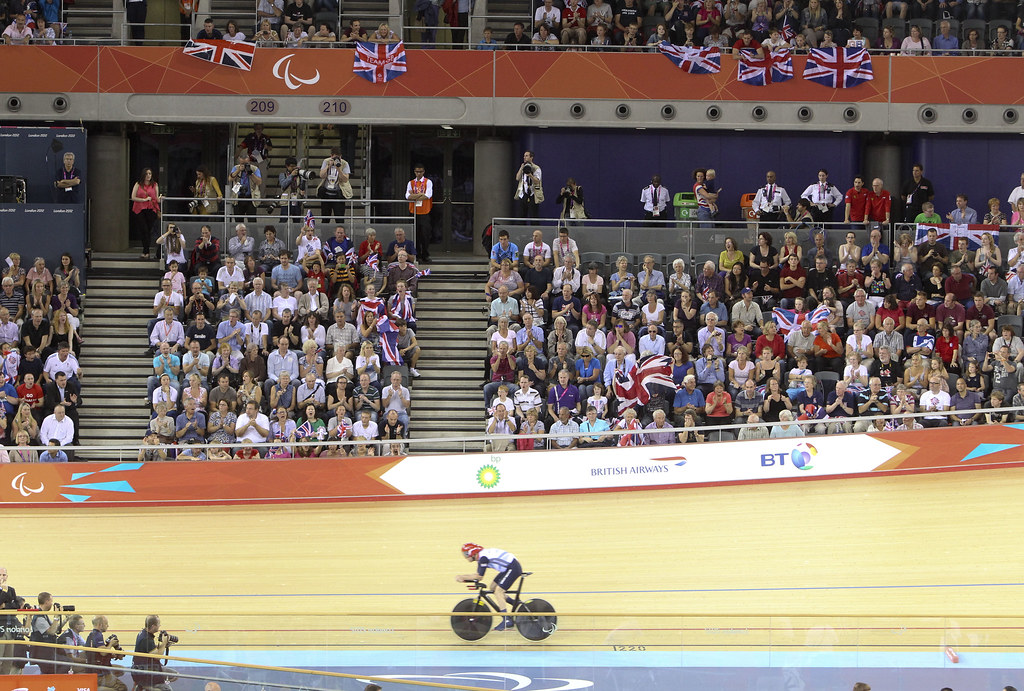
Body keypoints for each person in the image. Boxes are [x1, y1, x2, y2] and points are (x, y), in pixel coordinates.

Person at [456, 543, 524, 631]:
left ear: (472, 552)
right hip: (509, 567)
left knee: (499, 591)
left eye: (466, 554)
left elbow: (479, 576)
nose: (465, 557)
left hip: (512, 568)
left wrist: (462, 577)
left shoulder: (483, 558)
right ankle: (514, 603)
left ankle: (506, 620)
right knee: (492, 587)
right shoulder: (482, 556)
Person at [132, 615, 176, 691]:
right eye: (158, 624)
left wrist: (163, 645)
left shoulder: (143, 633)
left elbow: (151, 651)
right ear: (153, 626)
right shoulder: (146, 639)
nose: (160, 626)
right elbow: (157, 657)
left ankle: (147, 686)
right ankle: (147, 686)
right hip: (145, 671)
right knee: (168, 689)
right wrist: (164, 643)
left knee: (174, 675)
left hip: (144, 667)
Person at [85, 615, 128, 691]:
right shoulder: (98, 635)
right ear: (100, 625)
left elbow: (97, 653)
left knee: (120, 670)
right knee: (122, 687)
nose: (108, 626)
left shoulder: (91, 635)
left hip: (94, 669)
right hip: (99, 673)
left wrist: (110, 654)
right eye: (106, 624)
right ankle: (104, 685)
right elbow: (103, 653)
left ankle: (107, 684)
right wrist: (111, 644)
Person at [130, 168, 162, 260]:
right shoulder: (138, 184)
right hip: (139, 209)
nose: (148, 175)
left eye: (150, 173)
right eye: (147, 173)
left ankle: (146, 251)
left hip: (151, 209)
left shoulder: (155, 185)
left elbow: (156, 198)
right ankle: (146, 251)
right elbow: (133, 197)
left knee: (148, 230)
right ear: (143, 175)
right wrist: (143, 200)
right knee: (143, 229)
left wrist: (160, 198)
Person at [406, 164, 433, 263]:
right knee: (415, 234)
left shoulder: (428, 182)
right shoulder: (411, 183)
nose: (419, 173)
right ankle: (417, 255)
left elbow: (428, 195)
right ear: (414, 172)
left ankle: (425, 254)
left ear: (423, 172)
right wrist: (420, 194)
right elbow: (407, 196)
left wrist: (415, 195)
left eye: (420, 171)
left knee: (425, 235)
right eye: (417, 171)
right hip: (414, 211)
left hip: (425, 211)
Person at [514, 151, 542, 219]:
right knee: (521, 216)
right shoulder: (523, 167)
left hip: (533, 194)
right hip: (523, 194)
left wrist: (530, 175)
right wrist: (521, 168)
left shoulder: (536, 168)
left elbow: (537, 181)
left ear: (531, 157)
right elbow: (517, 178)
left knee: (533, 216)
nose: (524, 157)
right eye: (524, 156)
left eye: (526, 156)